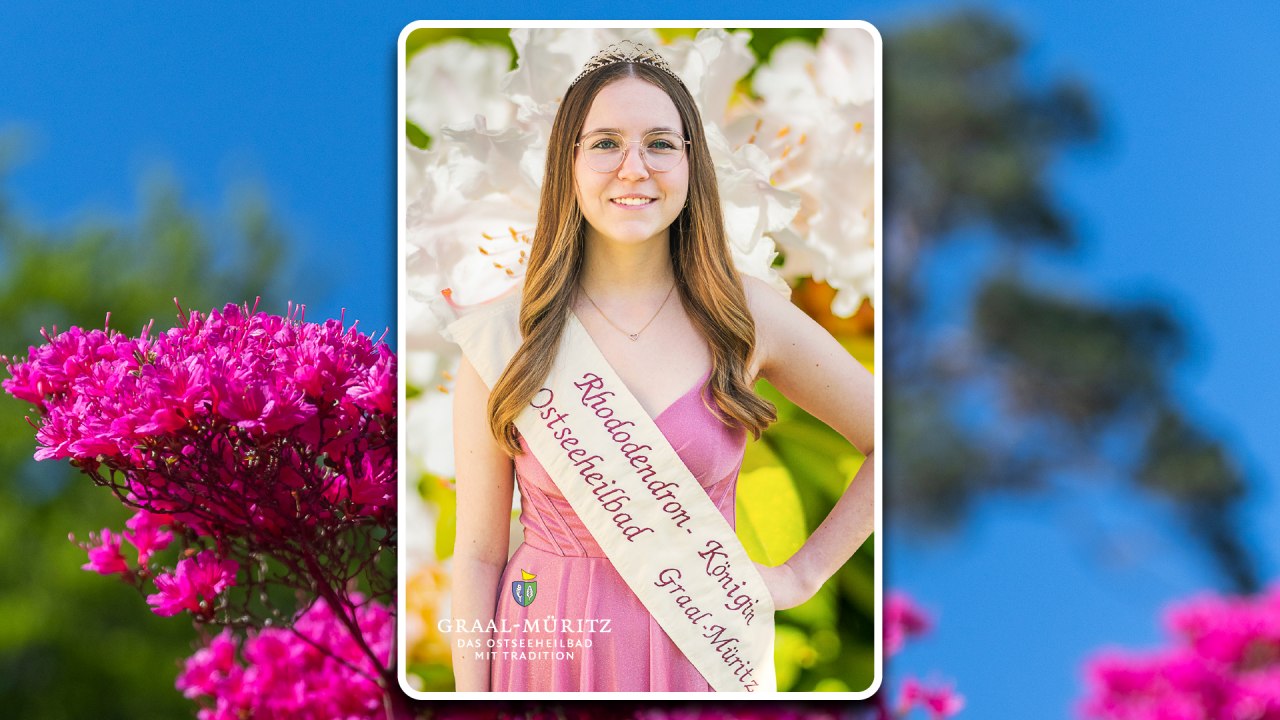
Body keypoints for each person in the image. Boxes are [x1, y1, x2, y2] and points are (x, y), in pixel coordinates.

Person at [448, 40, 875, 692]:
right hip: (547, 651)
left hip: (703, 647)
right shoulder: (504, 337)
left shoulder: (747, 312)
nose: (634, 168)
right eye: (605, 143)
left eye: (660, 143)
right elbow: (478, 557)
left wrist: (800, 575)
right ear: (568, 164)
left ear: (691, 163)